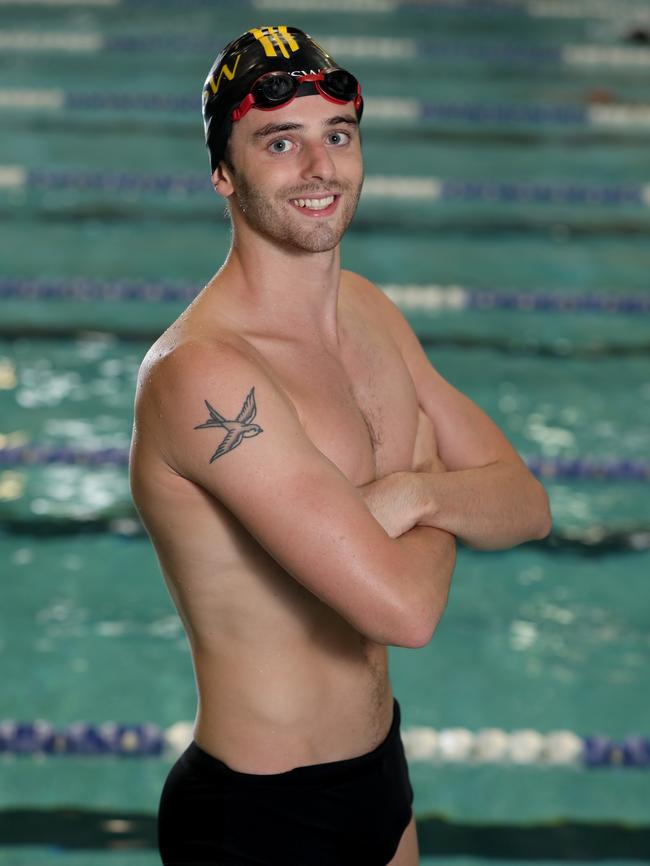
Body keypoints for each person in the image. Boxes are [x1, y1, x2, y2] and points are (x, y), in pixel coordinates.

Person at [129, 24, 552, 866]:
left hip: (379, 778)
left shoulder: (368, 310)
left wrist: (415, 492)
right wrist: (436, 467)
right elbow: (404, 610)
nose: (318, 168)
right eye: (279, 142)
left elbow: (529, 505)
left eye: (338, 136)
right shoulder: (207, 375)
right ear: (223, 173)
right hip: (259, 819)